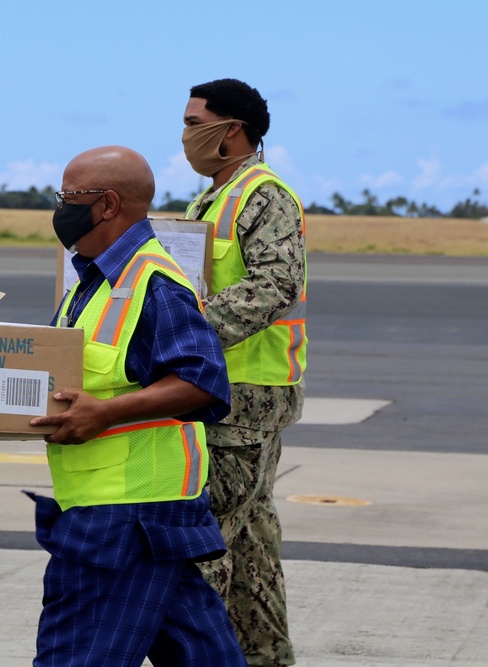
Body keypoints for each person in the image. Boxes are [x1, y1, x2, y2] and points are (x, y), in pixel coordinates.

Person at [0, 146, 246, 666]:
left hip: (126, 517)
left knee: (74, 658)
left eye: (69, 197)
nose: (60, 207)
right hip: (135, 509)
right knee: (204, 656)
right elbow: (53, 370)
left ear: (108, 204)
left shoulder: (154, 284)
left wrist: (104, 413)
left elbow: (204, 383)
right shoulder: (93, 282)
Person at [181, 78, 307, 666]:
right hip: (224, 390)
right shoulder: (208, 199)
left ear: (231, 131)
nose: (184, 135)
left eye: (193, 122)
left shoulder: (264, 196)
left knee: (206, 543)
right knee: (252, 543)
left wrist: (188, 332)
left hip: (246, 397)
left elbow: (274, 285)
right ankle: (265, 658)